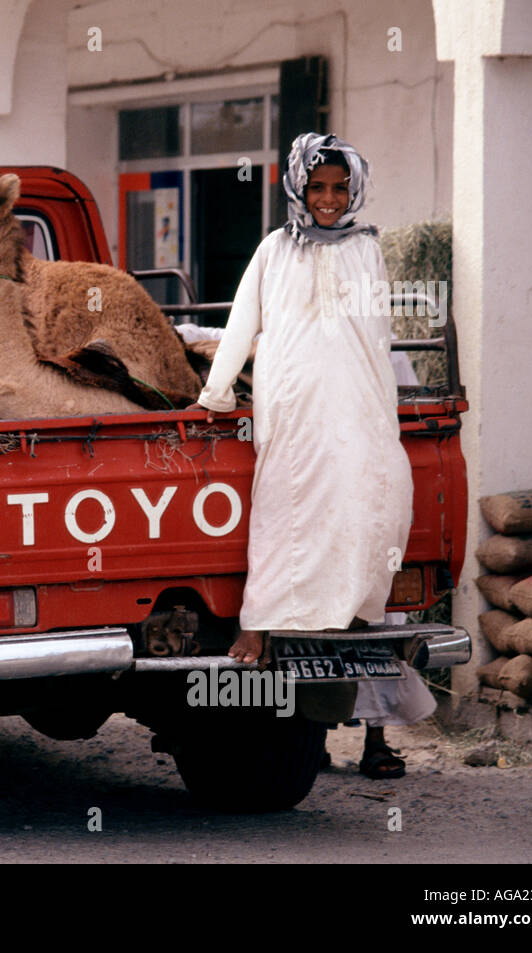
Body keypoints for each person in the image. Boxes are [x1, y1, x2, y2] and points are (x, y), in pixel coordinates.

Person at [188, 132, 414, 673]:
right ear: (299, 187)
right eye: (317, 187)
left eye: (340, 188)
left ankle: (350, 606)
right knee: (284, 504)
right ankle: (259, 622)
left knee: (369, 494)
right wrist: (215, 395)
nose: (329, 199)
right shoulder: (275, 249)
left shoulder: (367, 248)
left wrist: (384, 409)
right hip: (292, 397)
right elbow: (243, 324)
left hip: (357, 397)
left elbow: (377, 335)